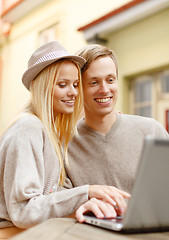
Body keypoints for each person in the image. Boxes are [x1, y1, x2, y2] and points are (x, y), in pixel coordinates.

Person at [0, 41, 127, 231]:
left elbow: (50, 195)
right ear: (43, 87)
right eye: (62, 85)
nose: (73, 92)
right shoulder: (28, 127)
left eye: (76, 84)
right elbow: (23, 210)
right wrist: (87, 193)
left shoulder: (49, 132)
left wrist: (85, 202)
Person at [65, 44, 169, 221]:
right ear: (79, 88)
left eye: (110, 80)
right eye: (94, 82)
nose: (104, 89)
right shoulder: (65, 145)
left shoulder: (151, 130)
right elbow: (61, 204)